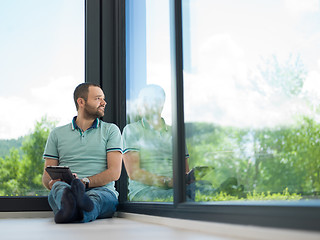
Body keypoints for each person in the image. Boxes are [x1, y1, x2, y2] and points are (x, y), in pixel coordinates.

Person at [42, 83, 122, 223]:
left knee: (96, 199)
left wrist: (83, 183)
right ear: (81, 102)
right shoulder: (56, 134)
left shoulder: (111, 130)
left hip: (102, 191)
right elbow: (46, 176)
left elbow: (114, 172)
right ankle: (75, 207)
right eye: (98, 98)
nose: (104, 103)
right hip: (67, 188)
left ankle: (70, 211)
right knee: (59, 188)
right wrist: (51, 183)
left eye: (103, 98)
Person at [122, 84, 194, 201]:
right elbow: (134, 173)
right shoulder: (131, 130)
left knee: (209, 193)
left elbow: (184, 171)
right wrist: (167, 182)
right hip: (145, 191)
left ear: (161, 103)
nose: (143, 104)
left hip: (175, 189)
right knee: (188, 200)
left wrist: (188, 179)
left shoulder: (175, 133)